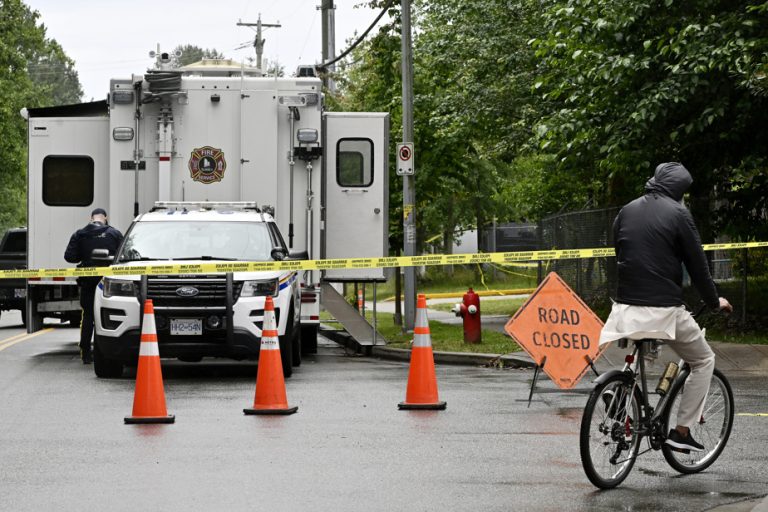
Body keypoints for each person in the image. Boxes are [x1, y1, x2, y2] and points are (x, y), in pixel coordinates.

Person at [598, 162, 732, 453]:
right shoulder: (679, 214)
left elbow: (620, 252)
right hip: (663, 310)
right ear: (679, 190)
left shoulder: (626, 210)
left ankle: (622, 396)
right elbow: (698, 267)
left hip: (624, 308)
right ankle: (682, 431)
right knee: (703, 360)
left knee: (642, 351)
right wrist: (713, 301)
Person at [64, 208, 123, 364]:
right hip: (109, 282)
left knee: (88, 315)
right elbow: (124, 255)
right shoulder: (114, 234)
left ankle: (86, 353)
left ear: (91, 219)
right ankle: (110, 352)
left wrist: (84, 256)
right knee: (108, 315)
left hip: (88, 281)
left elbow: (69, 257)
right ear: (105, 218)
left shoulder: (80, 234)